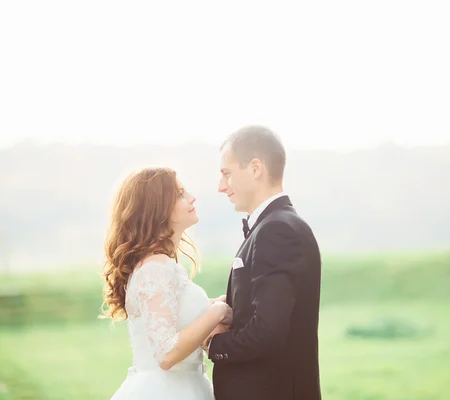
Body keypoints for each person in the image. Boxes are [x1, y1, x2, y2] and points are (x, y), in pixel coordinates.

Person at [205, 125, 322, 400]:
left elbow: (268, 331)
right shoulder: (278, 225)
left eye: (227, 173)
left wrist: (212, 343)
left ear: (256, 168)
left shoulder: (276, 231)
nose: (221, 186)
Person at [101, 167, 231, 400]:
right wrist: (218, 311)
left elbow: (179, 330)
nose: (192, 197)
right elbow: (166, 353)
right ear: (157, 208)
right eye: (180, 194)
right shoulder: (154, 268)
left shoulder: (162, 265)